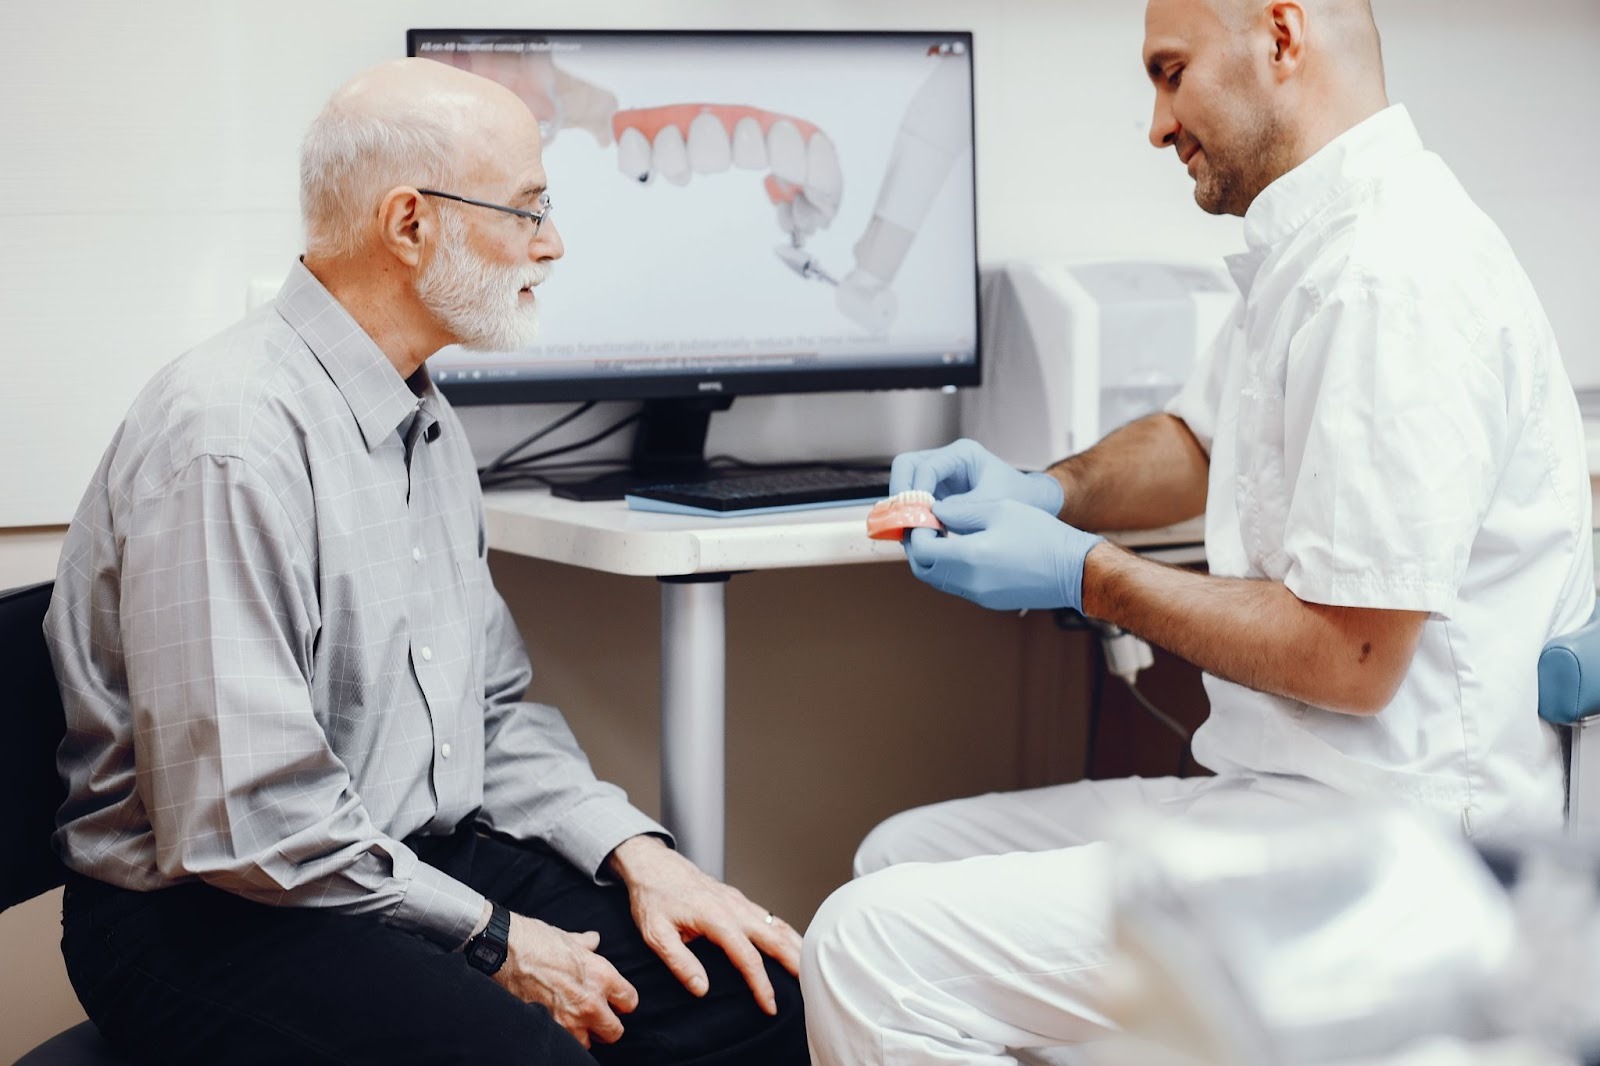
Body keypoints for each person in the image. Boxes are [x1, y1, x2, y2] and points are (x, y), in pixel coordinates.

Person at [800, 0, 1594, 1061]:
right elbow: (1202, 439)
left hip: (1400, 852)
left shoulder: (1391, 273)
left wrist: (1091, 578)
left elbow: (1350, 654)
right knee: (897, 857)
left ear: (1280, 36)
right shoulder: (1319, 238)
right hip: (1285, 796)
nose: (1156, 121)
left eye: (1169, 72)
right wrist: (1043, 490)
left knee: (869, 944)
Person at [45, 58, 807, 1066]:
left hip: (394, 858)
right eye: (528, 209)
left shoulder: (421, 420)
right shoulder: (227, 438)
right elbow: (246, 825)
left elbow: (487, 714)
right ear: (410, 225)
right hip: (213, 912)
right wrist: (495, 941)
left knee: (759, 997)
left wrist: (641, 855)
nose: (553, 242)